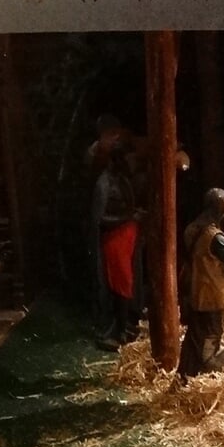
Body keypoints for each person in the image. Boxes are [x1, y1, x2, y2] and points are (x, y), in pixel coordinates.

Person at [180, 189, 224, 376]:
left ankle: (185, 376)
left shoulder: (192, 228)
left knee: (193, 341)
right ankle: (206, 374)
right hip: (213, 298)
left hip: (196, 293)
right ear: (219, 209)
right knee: (210, 343)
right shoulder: (214, 236)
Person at [89, 120, 141, 347]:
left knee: (128, 283)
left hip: (127, 236)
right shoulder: (104, 183)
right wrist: (128, 218)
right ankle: (114, 329)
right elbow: (98, 220)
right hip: (113, 239)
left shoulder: (122, 179)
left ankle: (125, 324)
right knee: (119, 283)